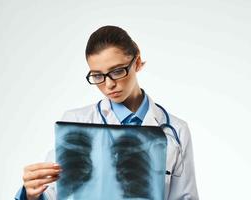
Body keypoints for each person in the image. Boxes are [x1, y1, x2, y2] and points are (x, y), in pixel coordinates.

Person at [15, 25, 199, 200]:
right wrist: (31, 194)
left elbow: (185, 197)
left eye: (117, 71)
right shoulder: (76, 122)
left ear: (137, 62)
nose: (109, 84)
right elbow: (55, 194)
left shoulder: (176, 130)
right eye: (97, 75)